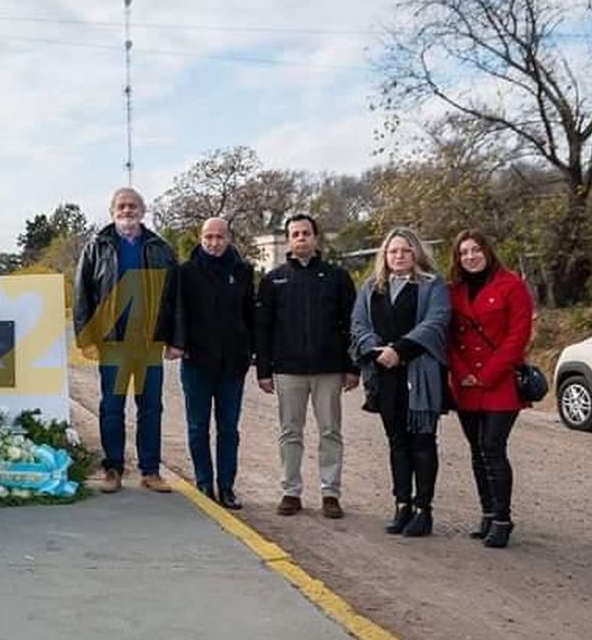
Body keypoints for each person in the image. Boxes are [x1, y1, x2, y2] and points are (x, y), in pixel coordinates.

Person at [73, 187, 177, 493]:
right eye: (121, 206)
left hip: (148, 344)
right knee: (112, 407)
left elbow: (174, 298)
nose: (127, 210)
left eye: (133, 206)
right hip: (113, 344)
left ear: (143, 212)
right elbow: (82, 295)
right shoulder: (96, 247)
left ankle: (150, 471)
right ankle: (113, 469)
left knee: (150, 408)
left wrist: (175, 339)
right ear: (111, 211)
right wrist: (86, 338)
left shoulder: (160, 248)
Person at [254, 213, 358, 519]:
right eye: (295, 234)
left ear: (316, 238)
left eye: (306, 233)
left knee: (330, 432)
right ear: (288, 240)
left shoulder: (337, 277)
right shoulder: (274, 280)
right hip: (288, 370)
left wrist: (352, 367)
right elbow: (264, 328)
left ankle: (330, 492)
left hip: (328, 369)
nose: (301, 238)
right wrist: (263, 370)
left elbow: (352, 324)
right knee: (290, 432)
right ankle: (291, 491)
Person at [351, 228, 452, 538]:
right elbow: (359, 325)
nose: (399, 256)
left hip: (420, 372)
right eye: (393, 251)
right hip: (385, 375)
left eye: (405, 251)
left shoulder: (432, 286)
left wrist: (400, 350)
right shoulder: (371, 288)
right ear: (385, 255)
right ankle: (401, 504)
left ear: (416, 253)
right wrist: (376, 349)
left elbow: (436, 321)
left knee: (422, 441)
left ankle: (424, 509)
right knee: (396, 441)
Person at [155, 217, 256, 509]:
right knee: (198, 427)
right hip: (196, 362)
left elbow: (250, 314)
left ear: (229, 238)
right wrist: (175, 342)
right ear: (201, 238)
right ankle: (204, 484)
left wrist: (252, 350)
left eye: (220, 237)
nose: (214, 243)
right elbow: (172, 309)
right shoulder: (184, 272)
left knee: (229, 429)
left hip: (232, 364)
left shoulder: (243, 272)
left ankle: (226, 487)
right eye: (208, 237)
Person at [447, 229, 533, 548]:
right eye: (464, 252)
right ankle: (486, 512)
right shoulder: (453, 290)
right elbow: (449, 338)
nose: (470, 257)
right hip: (467, 383)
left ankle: (502, 518)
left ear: (487, 251)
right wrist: (462, 372)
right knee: (476, 450)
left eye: (475, 250)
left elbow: (518, 335)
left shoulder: (511, 285)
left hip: (500, 382)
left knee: (493, 447)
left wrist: (488, 374)